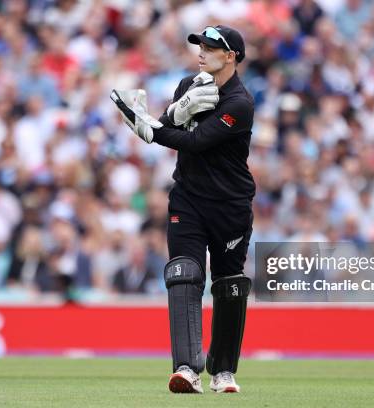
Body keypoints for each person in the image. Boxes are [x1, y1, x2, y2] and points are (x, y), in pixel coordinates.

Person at [111, 25, 255, 393]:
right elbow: (171, 122)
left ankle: (223, 371)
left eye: (211, 47)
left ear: (231, 56)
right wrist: (167, 116)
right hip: (188, 198)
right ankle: (187, 369)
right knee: (183, 273)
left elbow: (194, 141)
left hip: (230, 205)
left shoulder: (239, 102)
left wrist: (147, 127)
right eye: (200, 46)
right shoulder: (189, 85)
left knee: (229, 285)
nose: (202, 52)